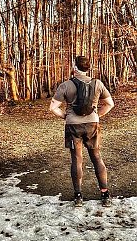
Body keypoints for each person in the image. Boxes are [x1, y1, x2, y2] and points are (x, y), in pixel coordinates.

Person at [49, 56, 114, 207]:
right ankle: (105, 194)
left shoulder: (66, 85)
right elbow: (110, 104)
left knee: (77, 159)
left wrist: (66, 116)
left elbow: (53, 107)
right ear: (88, 68)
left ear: (74, 68)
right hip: (92, 124)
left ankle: (78, 196)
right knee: (97, 157)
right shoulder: (97, 83)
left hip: (73, 126)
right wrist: (98, 114)